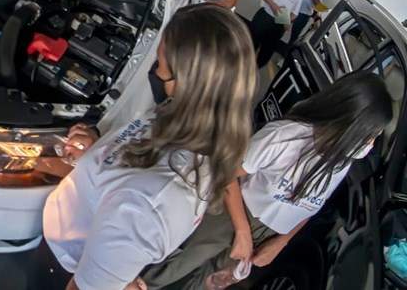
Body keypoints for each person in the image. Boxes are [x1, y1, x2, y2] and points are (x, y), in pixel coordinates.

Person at [36, 4, 257, 290]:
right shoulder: (180, 118)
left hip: (63, 266)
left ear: (185, 83)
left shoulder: (144, 210)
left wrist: (113, 278)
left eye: (160, 64)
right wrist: (97, 153)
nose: (156, 70)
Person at [141, 71, 392, 289]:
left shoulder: (341, 161)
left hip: (266, 234)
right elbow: (226, 173)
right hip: (231, 214)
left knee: (207, 282)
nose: (371, 143)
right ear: (349, 122)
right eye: (370, 134)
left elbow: (308, 206)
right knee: (169, 270)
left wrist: (280, 243)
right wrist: (242, 232)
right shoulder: (286, 137)